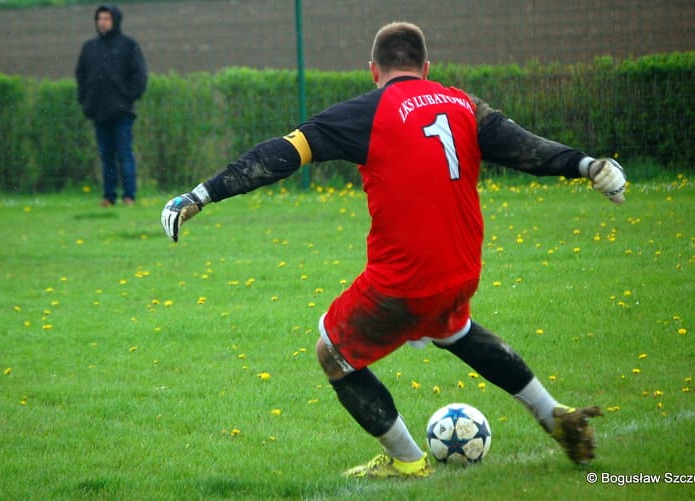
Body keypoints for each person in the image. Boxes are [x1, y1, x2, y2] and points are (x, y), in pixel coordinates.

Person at [161, 22, 626, 478]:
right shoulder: (462, 103)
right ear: (426, 67)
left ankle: (407, 459)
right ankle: (553, 414)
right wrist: (588, 165)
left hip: (405, 279)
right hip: (462, 268)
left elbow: (278, 155)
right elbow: (525, 148)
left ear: (373, 70)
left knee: (333, 352)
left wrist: (201, 195)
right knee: (454, 330)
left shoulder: (369, 110)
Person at [75, 4, 148, 207]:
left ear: (115, 21)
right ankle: (108, 196)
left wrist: (127, 97)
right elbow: (81, 76)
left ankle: (129, 196)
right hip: (98, 111)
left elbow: (140, 76)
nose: (102, 22)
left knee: (125, 154)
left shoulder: (128, 45)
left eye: (106, 18)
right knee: (106, 156)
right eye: (100, 18)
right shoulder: (90, 48)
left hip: (122, 111)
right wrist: (85, 99)